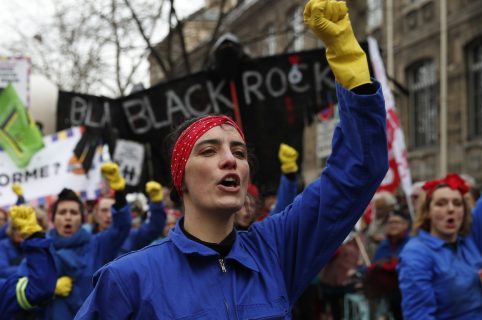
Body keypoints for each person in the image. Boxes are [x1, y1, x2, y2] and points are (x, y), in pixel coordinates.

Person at [76, 1, 388, 318]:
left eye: (239, 152)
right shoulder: (129, 278)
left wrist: (350, 67)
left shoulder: (276, 251)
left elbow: (359, 171)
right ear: (180, 179)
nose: (230, 160)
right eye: (209, 151)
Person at [398, 172, 482, 319]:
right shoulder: (417, 253)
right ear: (427, 212)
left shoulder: (472, 241)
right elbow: (419, 315)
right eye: (441, 203)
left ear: (465, 212)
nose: (451, 209)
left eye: (457, 203)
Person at [42, 162, 131, 320]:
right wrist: (47, 288)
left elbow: (120, 228)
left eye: (73, 212)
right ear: (53, 218)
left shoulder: (96, 245)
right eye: (62, 212)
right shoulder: (41, 250)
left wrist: (119, 192)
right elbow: (23, 286)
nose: (68, 216)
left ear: (82, 219)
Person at [0, 205, 57, 319]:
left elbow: (39, 289)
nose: (20, 231)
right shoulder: (3, 245)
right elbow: (3, 270)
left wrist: (34, 238)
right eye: (16, 227)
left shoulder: (47, 248)